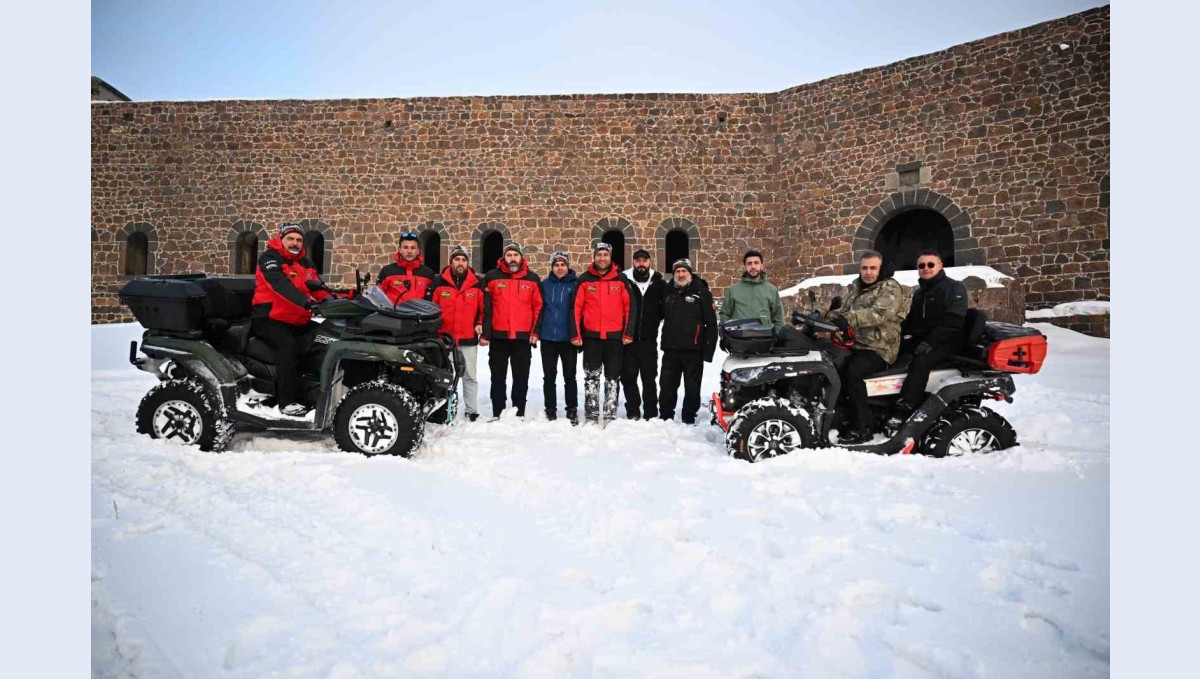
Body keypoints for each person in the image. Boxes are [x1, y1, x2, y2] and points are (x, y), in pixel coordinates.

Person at [250, 223, 333, 417]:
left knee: (324, 337)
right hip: (269, 318)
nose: (295, 243)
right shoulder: (270, 258)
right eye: (290, 239)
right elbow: (280, 285)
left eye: (299, 240)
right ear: (281, 239)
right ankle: (286, 401)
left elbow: (317, 287)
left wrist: (334, 300)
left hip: (296, 319)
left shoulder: (306, 263)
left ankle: (311, 391)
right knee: (287, 345)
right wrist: (306, 302)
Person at [827, 250, 907, 444]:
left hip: (879, 347)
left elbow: (879, 313)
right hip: (857, 344)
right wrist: (826, 315)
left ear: (881, 269)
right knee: (831, 364)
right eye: (864, 268)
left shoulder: (889, 287)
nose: (868, 272)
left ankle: (862, 428)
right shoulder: (857, 286)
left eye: (873, 268)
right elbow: (845, 311)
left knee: (853, 372)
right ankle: (839, 417)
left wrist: (849, 319)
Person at [886, 249, 968, 428]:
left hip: (948, 341)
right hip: (923, 338)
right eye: (921, 265)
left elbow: (953, 322)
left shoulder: (954, 288)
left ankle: (907, 407)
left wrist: (931, 342)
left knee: (921, 361)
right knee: (891, 350)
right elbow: (911, 320)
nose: (926, 268)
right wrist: (893, 334)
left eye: (931, 264)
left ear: (940, 266)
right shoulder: (920, 292)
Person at [570, 242, 635, 424]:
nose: (602, 258)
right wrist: (576, 334)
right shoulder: (584, 280)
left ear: (610, 257)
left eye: (605, 255)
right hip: (592, 337)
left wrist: (628, 333)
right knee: (591, 376)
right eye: (599, 255)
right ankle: (591, 414)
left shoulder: (621, 279)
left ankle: (609, 414)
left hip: (615, 337)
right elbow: (576, 308)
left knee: (612, 377)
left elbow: (630, 308)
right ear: (594, 257)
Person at [481, 242, 542, 419]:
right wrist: (486, 333)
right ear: (504, 257)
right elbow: (486, 307)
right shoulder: (492, 277)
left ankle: (519, 411)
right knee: (497, 377)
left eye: (515, 255)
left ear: (521, 257)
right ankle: (498, 411)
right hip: (498, 336)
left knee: (521, 377)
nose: (512, 259)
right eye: (509, 255)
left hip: (522, 338)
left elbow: (538, 307)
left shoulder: (532, 279)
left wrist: (535, 332)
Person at [657, 259, 718, 424]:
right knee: (667, 385)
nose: (681, 274)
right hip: (671, 348)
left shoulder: (702, 292)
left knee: (692, 387)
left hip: (694, 349)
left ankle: (689, 417)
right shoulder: (667, 291)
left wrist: (708, 351)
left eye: (684, 271)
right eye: (677, 272)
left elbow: (711, 324)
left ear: (690, 273)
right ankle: (666, 416)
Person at [431, 244, 484, 422]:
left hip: (468, 338)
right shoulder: (439, 282)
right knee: (445, 376)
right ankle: (444, 409)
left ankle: (472, 410)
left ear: (468, 263)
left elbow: (482, 310)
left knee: (470, 376)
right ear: (451, 261)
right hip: (445, 339)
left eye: (463, 260)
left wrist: (479, 323)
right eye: (457, 259)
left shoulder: (477, 283)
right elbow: (431, 308)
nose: (460, 263)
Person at [535, 251, 580, 424]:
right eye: (556, 265)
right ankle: (550, 408)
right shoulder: (545, 285)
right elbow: (539, 309)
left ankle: (572, 408)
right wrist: (536, 332)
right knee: (549, 377)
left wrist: (578, 334)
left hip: (568, 339)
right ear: (552, 267)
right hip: (548, 338)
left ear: (568, 267)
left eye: (563, 265)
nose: (560, 268)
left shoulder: (576, 284)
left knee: (570, 377)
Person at [620, 248, 665, 420]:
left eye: (644, 261)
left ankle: (650, 411)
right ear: (633, 262)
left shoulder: (659, 284)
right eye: (638, 260)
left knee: (649, 377)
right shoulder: (625, 281)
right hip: (627, 339)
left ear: (649, 262)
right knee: (628, 377)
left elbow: (665, 307)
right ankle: (633, 410)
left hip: (648, 340)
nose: (641, 264)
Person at [718, 249, 784, 328]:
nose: (753, 266)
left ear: (761, 266)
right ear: (745, 267)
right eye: (749, 263)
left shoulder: (771, 290)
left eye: (756, 263)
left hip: (764, 335)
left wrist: (776, 335)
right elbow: (725, 314)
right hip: (739, 335)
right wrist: (728, 332)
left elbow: (778, 319)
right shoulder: (734, 290)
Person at [378, 230, 436, 305]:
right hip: (394, 312)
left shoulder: (428, 274)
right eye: (405, 247)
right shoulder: (387, 271)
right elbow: (378, 297)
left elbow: (433, 301)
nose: (409, 251)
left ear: (418, 250)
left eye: (413, 248)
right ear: (400, 250)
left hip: (419, 312)